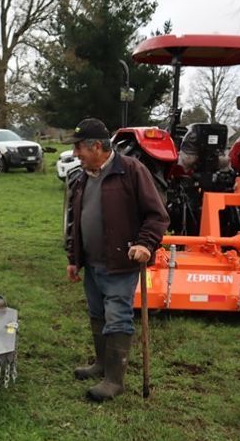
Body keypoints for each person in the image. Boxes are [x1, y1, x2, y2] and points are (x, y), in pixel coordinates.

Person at [64, 118, 168, 401]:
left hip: (120, 264)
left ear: (96, 146)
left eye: (78, 148)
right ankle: (101, 364)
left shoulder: (132, 170)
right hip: (93, 264)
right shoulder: (83, 177)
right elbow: (76, 222)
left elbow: (157, 215)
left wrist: (146, 244)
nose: (76, 154)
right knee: (97, 315)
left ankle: (114, 380)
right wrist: (73, 259)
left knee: (117, 318)